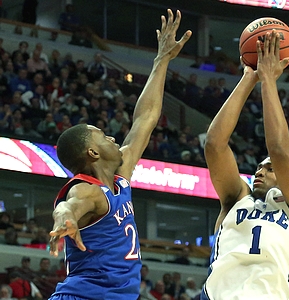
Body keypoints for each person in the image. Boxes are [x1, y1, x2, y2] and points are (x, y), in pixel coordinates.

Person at [48, 9, 191, 300]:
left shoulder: (120, 178)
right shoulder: (90, 191)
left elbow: (146, 117)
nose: (112, 137)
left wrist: (161, 59)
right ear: (92, 152)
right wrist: (66, 220)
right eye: (103, 136)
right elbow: (69, 206)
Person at [201, 30, 289, 299]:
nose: (259, 170)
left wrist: (268, 81)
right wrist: (248, 77)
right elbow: (214, 145)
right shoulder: (236, 198)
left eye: (269, 168)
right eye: (259, 167)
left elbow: (279, 152)